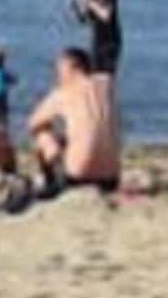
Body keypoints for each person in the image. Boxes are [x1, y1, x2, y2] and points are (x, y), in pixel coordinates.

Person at [26, 47, 121, 195]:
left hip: (77, 176)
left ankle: (50, 182)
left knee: (41, 134)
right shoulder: (106, 84)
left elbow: (32, 123)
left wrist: (58, 140)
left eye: (60, 69)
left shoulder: (65, 92)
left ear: (74, 67)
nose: (58, 75)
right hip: (111, 178)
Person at [71, 0, 122, 75]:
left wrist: (90, 3)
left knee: (106, 74)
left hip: (111, 41)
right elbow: (83, 20)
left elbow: (106, 15)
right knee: (95, 72)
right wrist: (79, 6)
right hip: (97, 40)